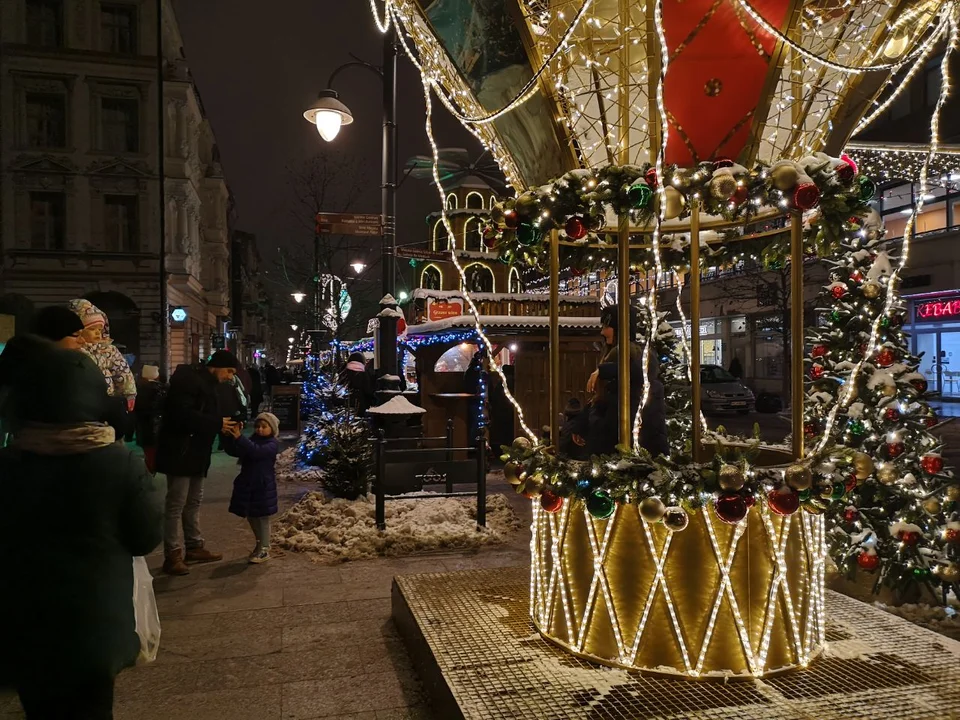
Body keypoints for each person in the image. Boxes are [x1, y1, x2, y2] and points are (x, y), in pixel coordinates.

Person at [0, 345, 163, 718]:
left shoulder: (8, 467)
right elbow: (143, 536)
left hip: (23, 628)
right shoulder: (116, 462)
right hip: (91, 626)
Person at [155, 349, 240, 575]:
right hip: (181, 451)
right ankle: (172, 555)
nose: (230, 376)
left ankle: (194, 546)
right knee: (176, 503)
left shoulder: (210, 384)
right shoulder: (189, 381)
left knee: (193, 501)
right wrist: (216, 423)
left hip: (198, 452)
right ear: (217, 366)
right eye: (229, 371)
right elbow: (181, 415)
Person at [573, 304, 668, 458]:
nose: (602, 331)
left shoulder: (639, 359)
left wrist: (604, 371)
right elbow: (599, 401)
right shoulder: (612, 357)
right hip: (618, 449)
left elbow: (640, 371)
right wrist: (581, 424)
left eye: (606, 326)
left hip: (634, 453)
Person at [224, 412, 280, 564]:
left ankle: (265, 548)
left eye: (264, 427)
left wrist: (239, 437)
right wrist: (231, 436)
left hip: (262, 485)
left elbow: (256, 452)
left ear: (272, 429)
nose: (260, 429)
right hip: (249, 483)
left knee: (262, 518)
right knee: (252, 515)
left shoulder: (272, 444)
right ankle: (259, 543)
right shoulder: (252, 440)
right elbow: (239, 451)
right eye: (257, 426)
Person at [135, 365, 166, 473]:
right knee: (154, 452)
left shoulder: (138, 389)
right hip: (158, 425)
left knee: (149, 452)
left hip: (144, 426)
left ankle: (149, 471)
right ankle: (151, 471)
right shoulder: (161, 389)